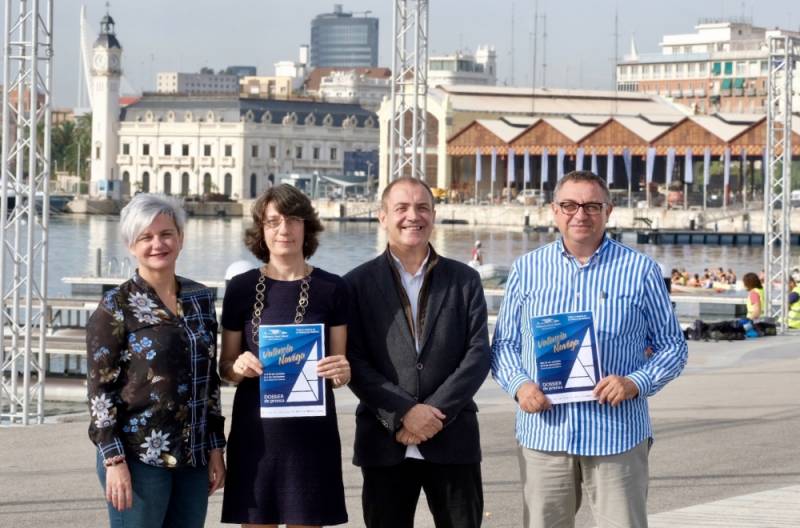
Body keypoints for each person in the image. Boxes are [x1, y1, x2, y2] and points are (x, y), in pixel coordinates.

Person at [491, 170, 687, 528]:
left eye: (591, 206)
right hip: (545, 432)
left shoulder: (640, 271)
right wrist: (519, 386)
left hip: (617, 434)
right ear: (554, 210)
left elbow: (673, 346)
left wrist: (636, 382)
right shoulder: (527, 269)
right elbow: (504, 345)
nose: (580, 214)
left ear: (608, 211)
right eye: (569, 205)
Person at [345, 176, 491, 528]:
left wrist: (432, 413)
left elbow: (477, 355)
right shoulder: (354, 284)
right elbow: (354, 360)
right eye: (402, 208)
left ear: (434, 214)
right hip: (385, 440)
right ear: (382, 217)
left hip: (453, 438)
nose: (414, 216)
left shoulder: (465, 280)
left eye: (423, 207)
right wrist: (404, 412)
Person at [86, 194, 226, 528]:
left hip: (193, 457)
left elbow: (209, 383)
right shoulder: (115, 306)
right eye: (146, 237)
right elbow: (99, 391)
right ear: (131, 245)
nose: (157, 244)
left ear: (180, 237)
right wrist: (113, 460)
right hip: (138, 458)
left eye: (166, 234)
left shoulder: (200, 298)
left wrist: (215, 448)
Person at [219, 184, 351, 527]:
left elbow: (340, 370)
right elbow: (225, 367)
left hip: (311, 436)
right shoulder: (241, 289)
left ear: (306, 226)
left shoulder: (333, 288)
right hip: (256, 435)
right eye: (273, 221)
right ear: (261, 231)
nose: (284, 229)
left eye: (293, 219)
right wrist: (238, 366)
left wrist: (341, 372)